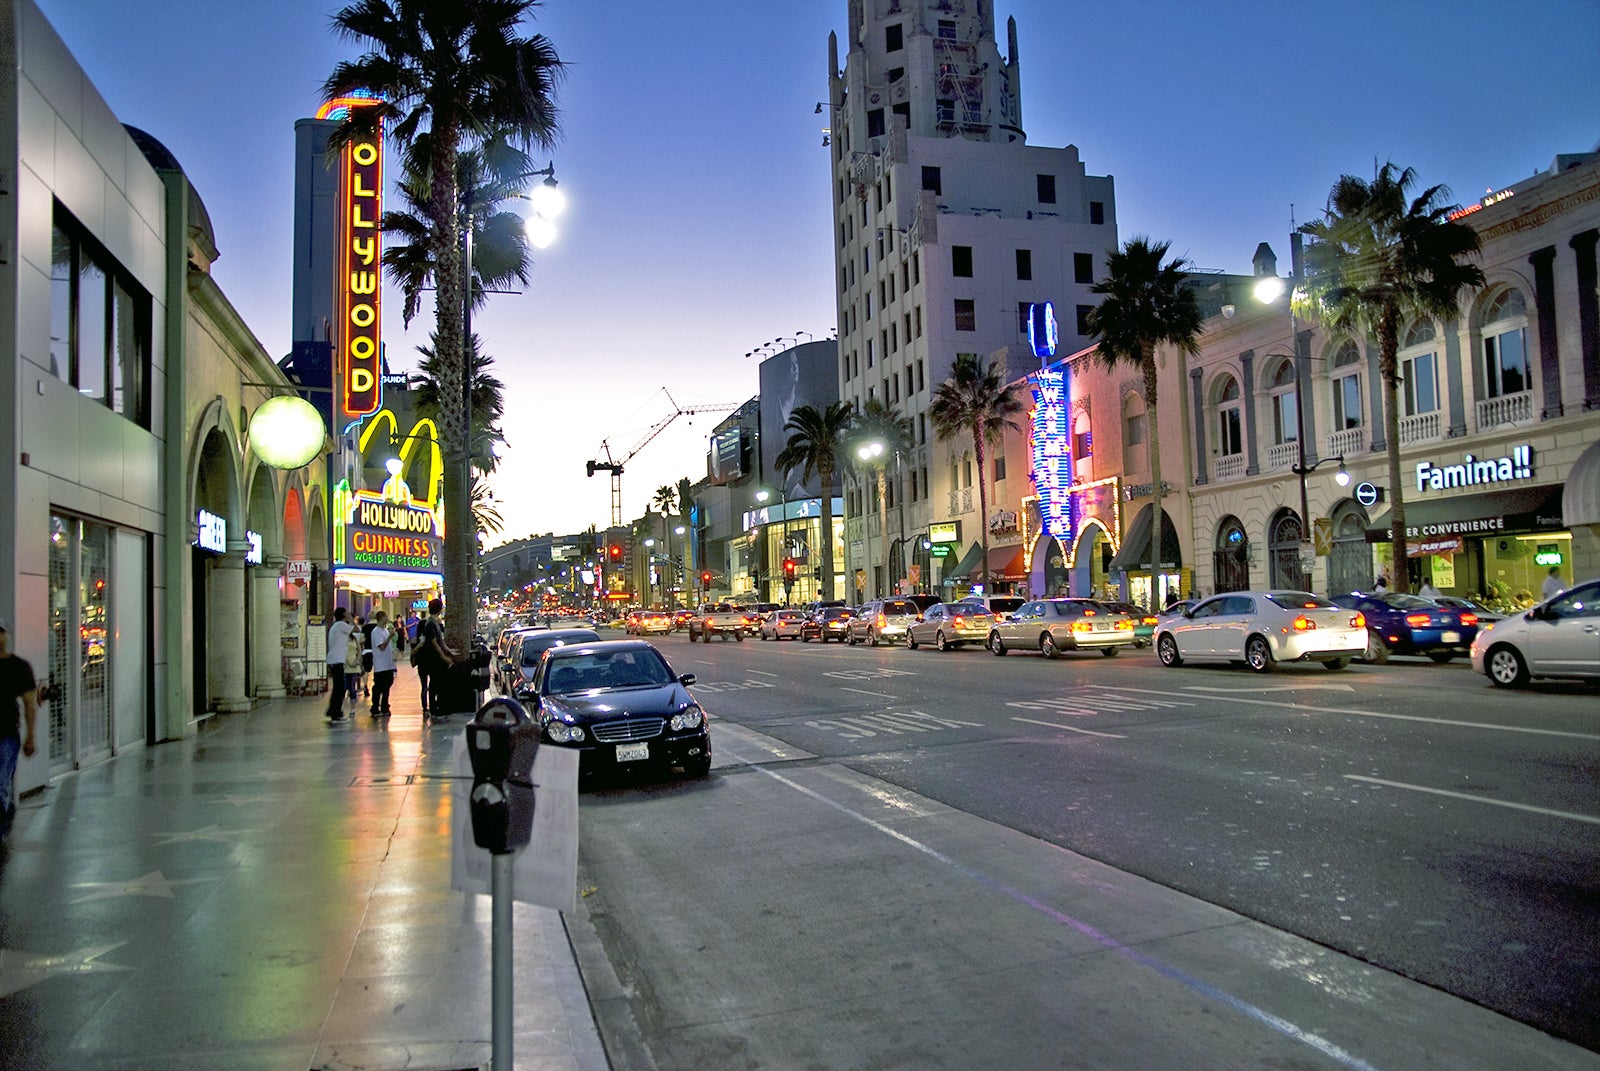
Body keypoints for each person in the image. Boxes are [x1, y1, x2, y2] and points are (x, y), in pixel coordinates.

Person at [0, 619, 39, 841]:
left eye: (1, 632)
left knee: (1, 784)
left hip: (6, 734)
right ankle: (6, 812)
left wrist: (30, 736)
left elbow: (29, 704)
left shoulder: (19, 667)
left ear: (8, 636)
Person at [417, 598, 460, 721]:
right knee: (434, 684)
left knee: (435, 683)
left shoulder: (434, 622)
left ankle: (435, 707)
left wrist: (449, 651)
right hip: (433, 659)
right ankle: (434, 708)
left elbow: (440, 641)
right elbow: (434, 642)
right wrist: (444, 656)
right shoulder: (431, 624)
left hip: (435, 657)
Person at [325, 608, 354, 722]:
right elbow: (355, 629)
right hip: (337, 660)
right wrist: (350, 620)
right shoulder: (341, 624)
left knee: (338, 687)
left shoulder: (336, 626)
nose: (348, 614)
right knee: (340, 688)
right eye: (347, 613)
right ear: (343, 615)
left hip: (335, 660)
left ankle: (333, 710)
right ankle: (336, 713)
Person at [369, 610, 396, 718]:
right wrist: (390, 637)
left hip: (388, 663)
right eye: (386, 617)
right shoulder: (376, 632)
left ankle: (385, 706)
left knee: (387, 686)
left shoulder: (384, 630)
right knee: (379, 687)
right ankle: (375, 707)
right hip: (380, 665)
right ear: (381, 618)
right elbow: (381, 646)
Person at [343, 617, 364, 714]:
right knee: (344, 687)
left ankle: (352, 708)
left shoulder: (354, 638)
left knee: (352, 687)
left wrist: (357, 660)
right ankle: (341, 707)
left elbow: (359, 650)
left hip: (354, 665)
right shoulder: (342, 639)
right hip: (345, 665)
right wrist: (348, 662)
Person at [359, 614, 378, 697]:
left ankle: (365, 686)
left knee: (366, 671)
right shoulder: (378, 627)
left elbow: (361, 640)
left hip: (367, 651)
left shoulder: (365, 627)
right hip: (377, 651)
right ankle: (377, 684)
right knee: (377, 669)